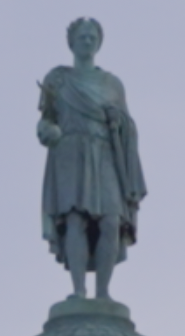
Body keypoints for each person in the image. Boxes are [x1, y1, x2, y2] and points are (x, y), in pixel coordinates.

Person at [37, 17, 146, 299]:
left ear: (98, 43)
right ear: (71, 43)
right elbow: (46, 121)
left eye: (92, 37)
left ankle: (103, 292)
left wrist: (118, 119)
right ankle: (78, 290)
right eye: (82, 37)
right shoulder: (58, 79)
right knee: (76, 219)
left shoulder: (112, 84)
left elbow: (128, 127)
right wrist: (48, 131)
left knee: (111, 220)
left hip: (105, 152)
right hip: (71, 150)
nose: (87, 41)